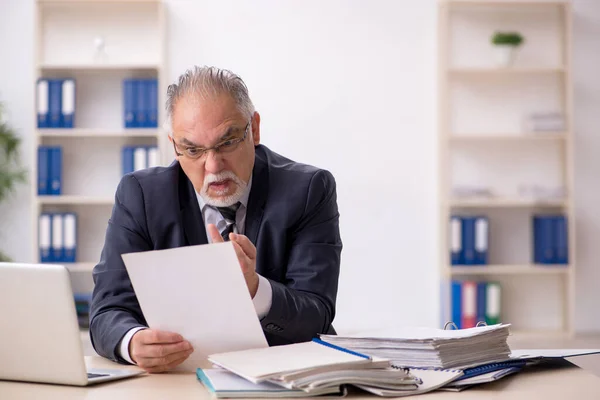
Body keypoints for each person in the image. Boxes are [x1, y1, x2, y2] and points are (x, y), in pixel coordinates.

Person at [89, 66, 342, 373]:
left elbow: (318, 316)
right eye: (193, 149)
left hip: (280, 380)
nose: (212, 165)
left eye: (227, 142)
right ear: (174, 146)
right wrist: (132, 341)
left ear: (255, 128)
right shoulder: (140, 196)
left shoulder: (308, 190)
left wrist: (253, 288)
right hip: (175, 382)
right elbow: (107, 310)